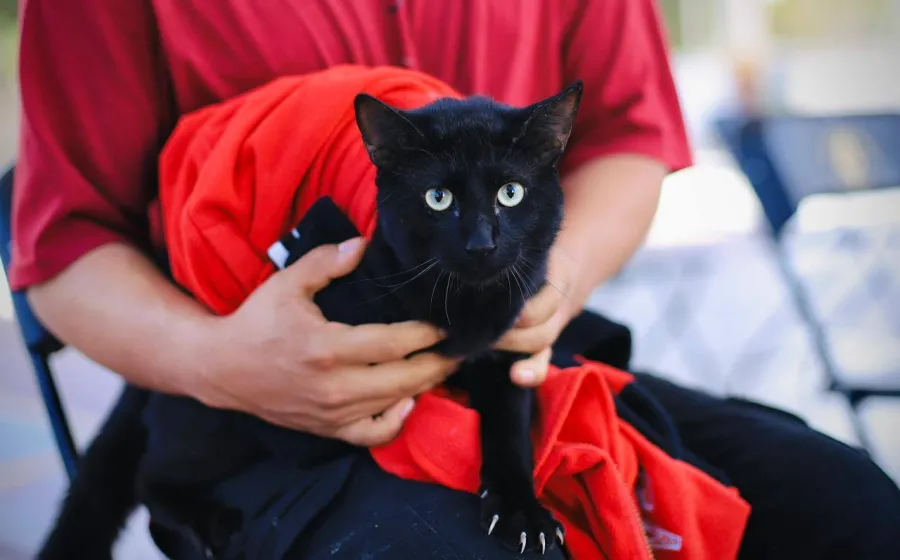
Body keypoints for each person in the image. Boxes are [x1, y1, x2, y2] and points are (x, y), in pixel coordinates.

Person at [10, 1, 900, 558]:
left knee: (848, 507)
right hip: (244, 406)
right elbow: (60, 248)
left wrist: (548, 289)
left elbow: (626, 136)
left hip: (513, 345)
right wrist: (219, 361)